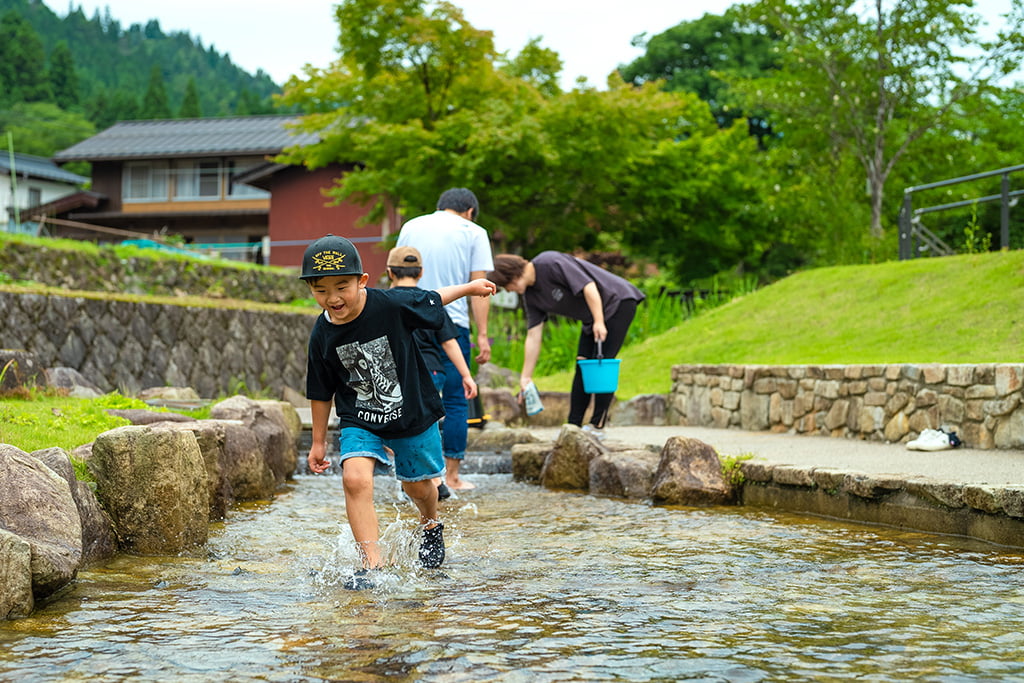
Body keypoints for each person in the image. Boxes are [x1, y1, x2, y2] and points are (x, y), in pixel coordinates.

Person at [301, 234, 496, 590]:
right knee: (355, 479)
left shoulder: (390, 304)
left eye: (341, 286)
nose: (332, 299)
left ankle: (431, 523)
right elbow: (320, 389)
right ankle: (371, 566)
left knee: (418, 488)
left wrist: (470, 287)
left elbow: (433, 299)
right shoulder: (322, 334)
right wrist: (317, 442)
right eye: (321, 290)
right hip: (360, 418)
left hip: (411, 415)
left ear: (362, 281)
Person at [486, 252, 646, 439]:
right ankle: (573, 427)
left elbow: (589, 286)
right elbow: (533, 335)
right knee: (582, 365)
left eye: (507, 286)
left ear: (512, 275)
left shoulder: (549, 262)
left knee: (602, 366)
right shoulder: (531, 296)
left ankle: (598, 425)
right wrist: (526, 377)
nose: (510, 290)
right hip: (592, 317)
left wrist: (599, 321)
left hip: (617, 303)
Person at [397, 188, 494, 490]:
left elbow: (397, 272)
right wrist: (483, 335)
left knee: (408, 396)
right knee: (455, 399)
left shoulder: (411, 225)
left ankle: (418, 475)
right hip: (452, 322)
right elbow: (481, 287)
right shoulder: (474, 231)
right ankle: (451, 476)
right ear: (469, 211)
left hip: (410, 319)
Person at [385, 245, 479, 502]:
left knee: (396, 424)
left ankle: (422, 479)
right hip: (432, 371)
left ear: (390, 272)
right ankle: (436, 479)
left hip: (396, 374)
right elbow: (450, 341)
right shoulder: (430, 301)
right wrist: (466, 375)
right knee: (425, 424)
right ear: (421, 272)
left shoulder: (382, 302)